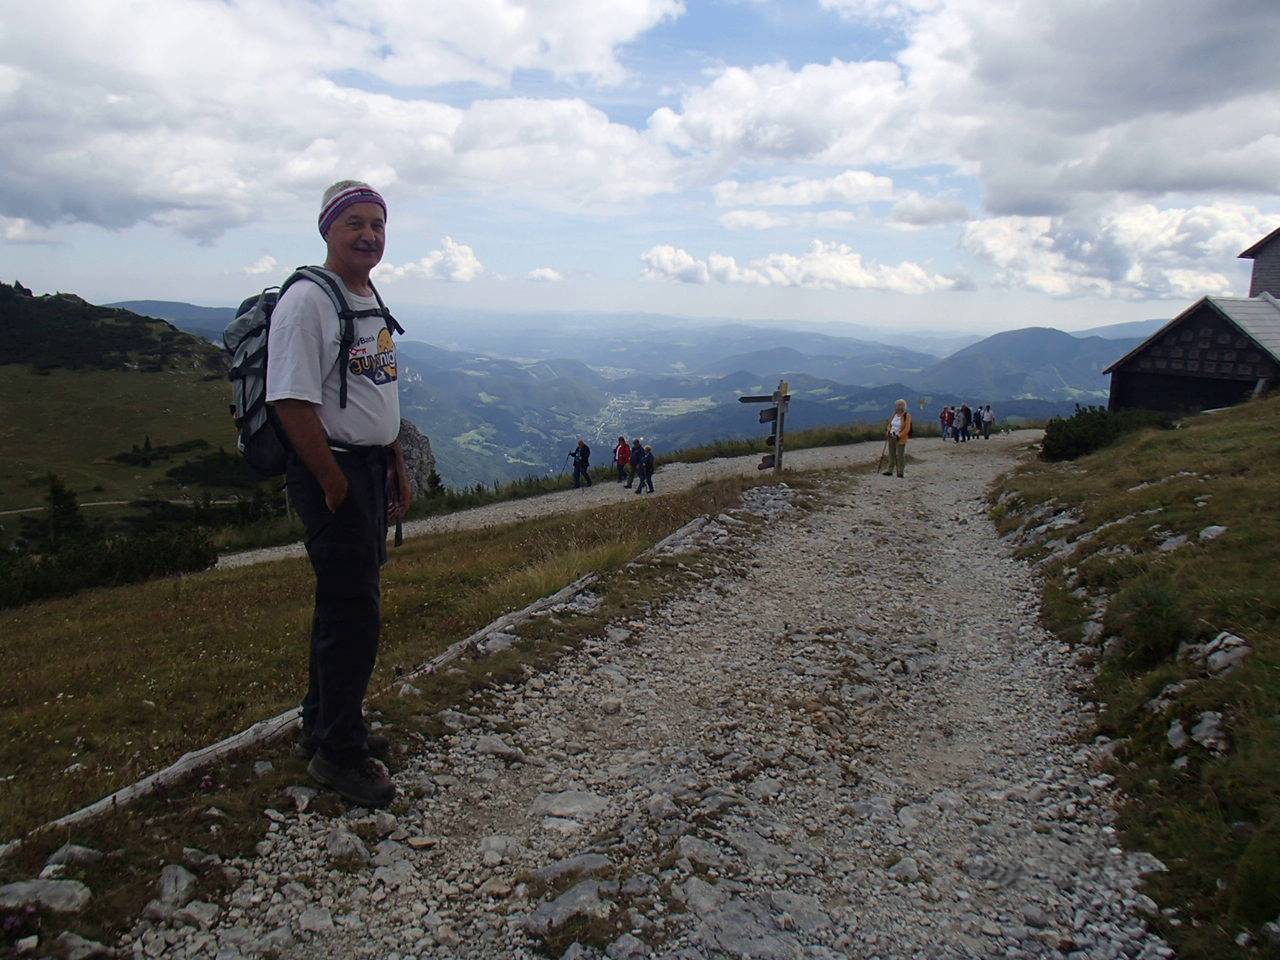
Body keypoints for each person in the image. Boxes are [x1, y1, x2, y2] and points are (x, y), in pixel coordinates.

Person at [267, 180, 410, 809]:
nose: (369, 235)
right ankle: (340, 754)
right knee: (357, 613)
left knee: (344, 604)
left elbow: (376, 387)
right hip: (337, 473)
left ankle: (321, 724)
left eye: (377, 223)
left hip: (368, 466)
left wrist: (395, 459)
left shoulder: (365, 294)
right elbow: (290, 401)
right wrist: (331, 481)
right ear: (327, 229)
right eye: (354, 222)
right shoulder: (310, 301)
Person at [882, 398, 912, 478]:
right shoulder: (894, 414)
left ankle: (900, 472)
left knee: (900, 455)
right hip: (891, 436)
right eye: (897, 405)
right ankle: (889, 470)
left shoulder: (907, 416)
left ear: (903, 406)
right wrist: (888, 430)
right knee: (891, 454)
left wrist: (899, 436)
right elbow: (890, 424)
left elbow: (907, 429)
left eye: (899, 405)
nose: (897, 406)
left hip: (900, 438)